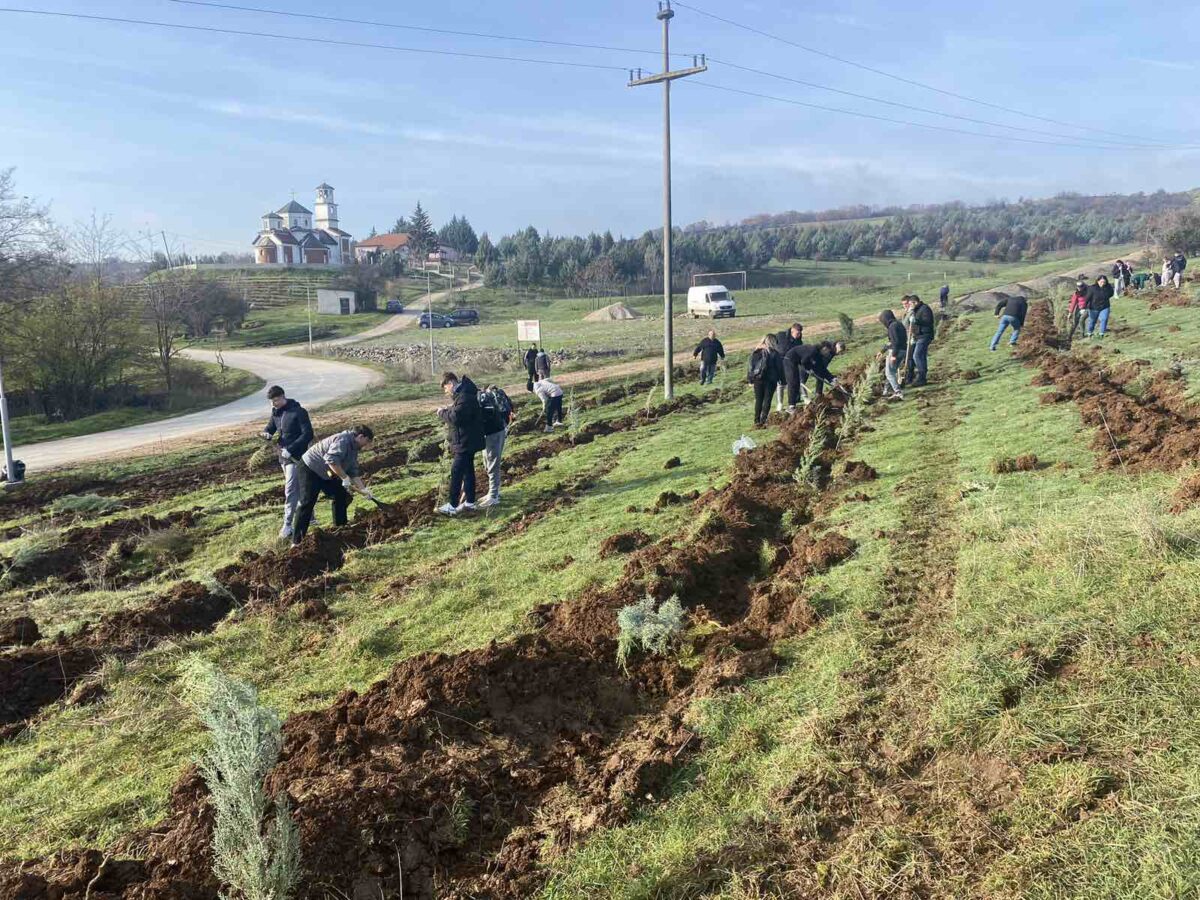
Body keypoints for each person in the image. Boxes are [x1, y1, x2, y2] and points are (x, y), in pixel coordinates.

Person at [292, 425, 375, 545]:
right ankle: (296, 542)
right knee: (307, 503)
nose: (366, 445)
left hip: (325, 472)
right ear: (360, 436)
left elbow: (352, 471)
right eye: (366, 441)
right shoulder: (343, 440)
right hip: (309, 468)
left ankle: (340, 529)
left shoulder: (354, 449)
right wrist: (344, 477)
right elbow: (331, 460)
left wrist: (364, 489)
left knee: (341, 495)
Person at [259, 385, 313, 540]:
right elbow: (271, 427)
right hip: (283, 458)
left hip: (297, 457)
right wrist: (267, 434)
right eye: (271, 401)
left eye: (275, 400)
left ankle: (287, 525)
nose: (273, 404)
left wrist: (291, 448)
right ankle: (311, 517)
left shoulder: (299, 412)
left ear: (283, 397)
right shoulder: (276, 412)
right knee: (299, 488)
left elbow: (308, 434)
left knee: (290, 490)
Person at [436, 373, 486, 515]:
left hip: (465, 441)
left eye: (445, 388)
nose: (446, 392)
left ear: (451, 383)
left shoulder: (465, 396)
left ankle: (452, 505)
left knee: (456, 471)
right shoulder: (464, 394)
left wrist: (441, 413)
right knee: (467, 471)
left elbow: (456, 418)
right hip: (467, 440)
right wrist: (449, 409)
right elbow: (459, 412)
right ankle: (470, 502)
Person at [478, 383, 515, 508]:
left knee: (492, 462)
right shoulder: (488, 396)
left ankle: (494, 496)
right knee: (487, 462)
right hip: (494, 431)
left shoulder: (480, 400)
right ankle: (492, 492)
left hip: (493, 432)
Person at [785, 341, 844, 409]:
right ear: (824, 348)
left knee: (818, 374)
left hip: (800, 362)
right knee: (794, 382)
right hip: (790, 360)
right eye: (827, 351)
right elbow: (804, 361)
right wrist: (809, 369)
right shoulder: (812, 350)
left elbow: (821, 368)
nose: (827, 353)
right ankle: (793, 405)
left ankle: (814, 397)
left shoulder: (819, 355)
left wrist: (832, 379)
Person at [748, 334, 783, 428]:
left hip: (758, 379)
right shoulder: (774, 353)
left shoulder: (756, 351)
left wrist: (750, 379)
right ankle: (763, 420)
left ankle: (756, 420)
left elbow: (751, 367)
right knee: (767, 400)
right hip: (771, 380)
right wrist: (782, 380)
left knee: (758, 400)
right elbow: (779, 368)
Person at [904, 295, 935, 387]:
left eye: (910, 304)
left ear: (915, 302)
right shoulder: (915, 310)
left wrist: (916, 321)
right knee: (921, 356)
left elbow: (928, 321)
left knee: (916, 355)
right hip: (918, 336)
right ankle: (922, 377)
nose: (909, 306)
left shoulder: (925, 309)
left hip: (925, 335)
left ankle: (921, 377)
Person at [772, 323, 803, 410]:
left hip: (791, 365)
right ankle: (780, 403)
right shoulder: (780, 335)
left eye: (800, 333)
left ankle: (794, 400)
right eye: (797, 333)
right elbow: (771, 342)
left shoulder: (799, 342)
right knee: (781, 383)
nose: (799, 335)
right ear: (792, 330)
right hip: (779, 363)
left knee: (792, 382)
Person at [879, 309, 906, 401]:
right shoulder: (898, 324)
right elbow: (892, 342)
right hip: (903, 351)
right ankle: (886, 391)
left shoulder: (892, 327)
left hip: (896, 352)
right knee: (891, 372)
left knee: (889, 373)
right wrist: (882, 351)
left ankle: (898, 392)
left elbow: (895, 342)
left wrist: (894, 355)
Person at [1067, 278, 1090, 343]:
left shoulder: (1088, 292)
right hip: (1079, 308)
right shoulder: (1076, 293)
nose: (1079, 288)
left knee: (1081, 320)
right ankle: (1069, 337)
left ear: (1084, 286)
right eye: (1078, 286)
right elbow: (1073, 303)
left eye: (1081, 286)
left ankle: (1082, 335)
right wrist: (1070, 313)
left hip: (1087, 308)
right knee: (1075, 323)